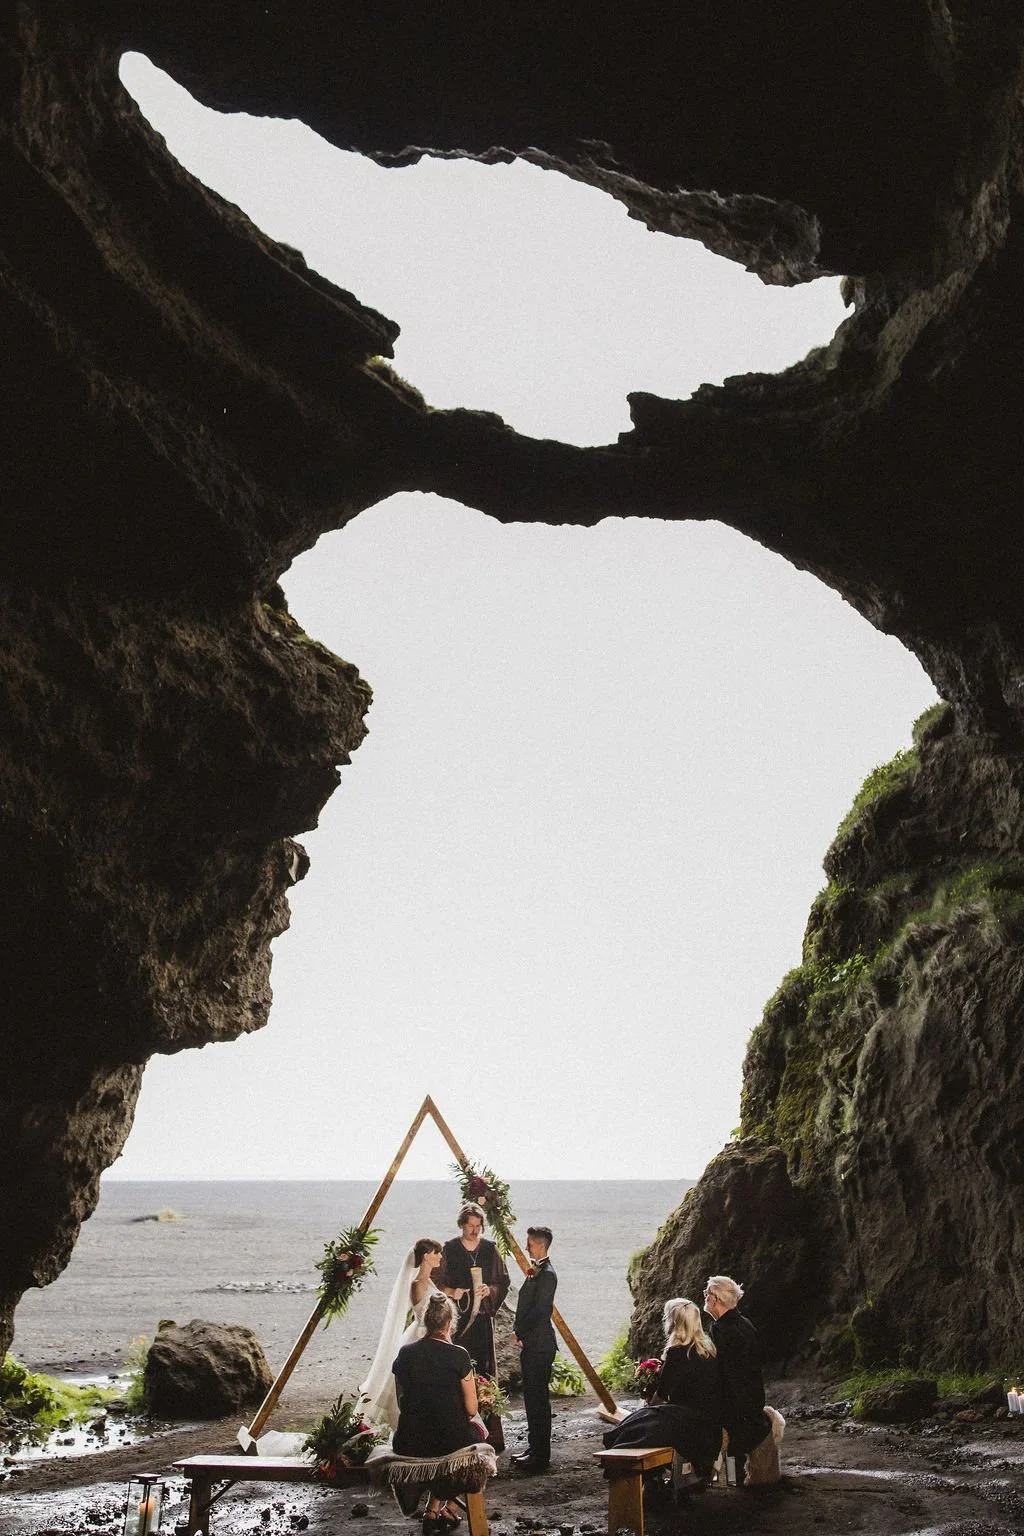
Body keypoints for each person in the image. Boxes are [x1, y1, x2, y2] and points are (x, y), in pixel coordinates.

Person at [601, 1298, 723, 1482]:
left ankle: (638, 1476)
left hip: (686, 1420)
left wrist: (649, 1405)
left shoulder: (677, 1353)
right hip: (708, 1420)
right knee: (642, 1422)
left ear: (673, 1323)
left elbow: (662, 1394)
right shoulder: (707, 1349)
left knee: (636, 1424)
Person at [393, 1291, 483, 1533]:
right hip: (446, 1442)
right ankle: (450, 1508)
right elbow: (472, 1408)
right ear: (449, 1323)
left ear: (426, 1322)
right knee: (476, 1439)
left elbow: (402, 1402)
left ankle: (433, 1508)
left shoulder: (405, 1353)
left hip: (409, 1440)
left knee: (439, 1431)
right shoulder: (459, 1355)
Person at [359, 1238, 444, 1429]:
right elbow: (424, 1315)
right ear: (426, 1256)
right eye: (436, 1253)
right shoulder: (419, 1284)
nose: (440, 1256)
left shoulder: (427, 1281)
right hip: (423, 1336)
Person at [703, 1274, 770, 1483]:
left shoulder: (722, 1330)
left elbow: (721, 1372)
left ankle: (730, 1479)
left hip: (736, 1405)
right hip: (752, 1399)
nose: (705, 1297)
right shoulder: (744, 1323)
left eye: (707, 1293)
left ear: (715, 1299)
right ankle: (731, 1477)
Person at [437, 1202, 510, 1380]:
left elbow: (503, 1280)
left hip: (481, 1318)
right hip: (455, 1318)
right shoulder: (449, 1249)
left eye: (478, 1226)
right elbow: (436, 1280)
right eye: (470, 1225)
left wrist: (490, 1290)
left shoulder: (489, 1249)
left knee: (482, 1364)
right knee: (457, 1363)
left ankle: (484, 1402)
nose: (474, 1230)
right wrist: (451, 1291)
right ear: (461, 1224)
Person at [511, 1225, 557, 1473]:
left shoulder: (547, 1274)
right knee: (532, 1399)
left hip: (539, 1346)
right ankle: (533, 1448)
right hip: (534, 1344)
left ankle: (541, 1456)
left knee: (538, 1401)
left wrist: (519, 1333)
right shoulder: (538, 1271)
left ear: (539, 1244)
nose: (526, 1246)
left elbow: (541, 1312)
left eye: (529, 1242)